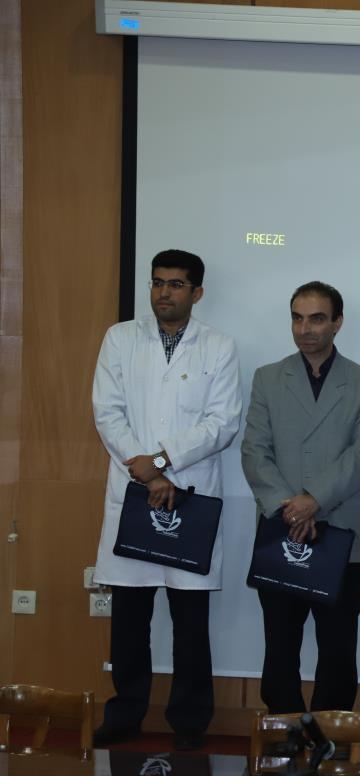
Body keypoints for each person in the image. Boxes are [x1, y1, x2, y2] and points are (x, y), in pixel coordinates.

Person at [91, 249, 242, 750]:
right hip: (135, 488)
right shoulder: (120, 338)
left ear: (197, 293)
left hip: (189, 491)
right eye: (157, 282)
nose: (163, 292)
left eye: (176, 284)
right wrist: (146, 468)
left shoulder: (218, 346)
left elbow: (222, 423)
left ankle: (190, 723)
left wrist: (161, 461)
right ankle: (125, 714)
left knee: (190, 623)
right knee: (129, 622)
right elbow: (107, 411)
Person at [241, 281, 360, 714]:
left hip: (341, 532)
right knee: (279, 644)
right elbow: (254, 451)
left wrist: (314, 500)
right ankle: (283, 730)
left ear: (337, 323)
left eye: (317, 319)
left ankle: (331, 735)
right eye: (297, 318)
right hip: (281, 527)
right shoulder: (267, 378)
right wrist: (290, 506)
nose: (305, 329)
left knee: (338, 646)